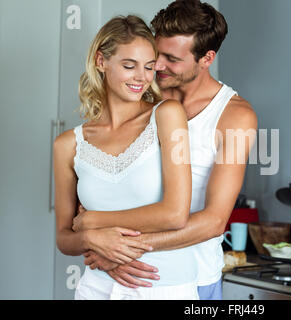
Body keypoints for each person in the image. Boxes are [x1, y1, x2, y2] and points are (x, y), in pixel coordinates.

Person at [78, 0, 258, 300]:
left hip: (193, 280)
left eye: (171, 58)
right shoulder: (142, 93)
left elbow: (214, 221)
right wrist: (100, 243)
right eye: (155, 53)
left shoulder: (235, 116)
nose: (157, 66)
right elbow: (95, 176)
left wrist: (118, 249)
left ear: (206, 58)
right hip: (115, 276)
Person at [53, 15, 199, 299]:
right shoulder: (68, 144)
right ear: (101, 61)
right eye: (129, 66)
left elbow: (175, 213)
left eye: (148, 67)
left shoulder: (168, 115)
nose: (142, 78)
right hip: (96, 286)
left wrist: (93, 220)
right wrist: (92, 239)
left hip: (163, 286)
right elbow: (64, 237)